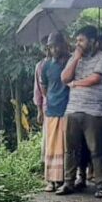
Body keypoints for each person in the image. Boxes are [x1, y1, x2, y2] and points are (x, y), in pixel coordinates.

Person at [57, 26, 102, 198]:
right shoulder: (75, 57)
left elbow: (96, 78)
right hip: (73, 109)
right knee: (71, 149)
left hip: (93, 111)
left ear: (93, 41)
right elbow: (64, 78)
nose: (78, 44)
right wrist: (76, 58)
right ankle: (69, 182)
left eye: (82, 40)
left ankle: (100, 185)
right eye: (77, 40)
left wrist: (75, 84)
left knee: (96, 149)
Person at [40, 33, 71, 192]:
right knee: (52, 146)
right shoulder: (45, 66)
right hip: (52, 110)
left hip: (68, 109)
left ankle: (64, 179)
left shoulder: (69, 62)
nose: (55, 49)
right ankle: (51, 180)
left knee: (66, 146)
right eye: (51, 47)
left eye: (57, 45)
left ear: (63, 45)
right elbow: (44, 88)